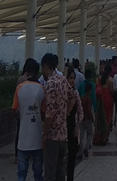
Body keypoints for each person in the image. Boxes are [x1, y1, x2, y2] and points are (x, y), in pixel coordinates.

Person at [41, 53, 75, 181]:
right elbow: (73, 98)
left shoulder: (50, 84)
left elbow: (50, 112)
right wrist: (65, 114)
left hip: (53, 135)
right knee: (61, 170)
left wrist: (45, 133)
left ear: (45, 67)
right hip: (63, 133)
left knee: (50, 171)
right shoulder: (63, 80)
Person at [12, 59, 44, 181]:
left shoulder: (19, 87)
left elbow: (13, 110)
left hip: (23, 138)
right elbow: (44, 112)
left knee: (21, 173)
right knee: (38, 173)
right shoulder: (41, 88)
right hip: (37, 137)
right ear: (37, 72)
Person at [63, 66, 83, 181]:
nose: (72, 80)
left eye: (73, 78)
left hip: (72, 130)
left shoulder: (75, 94)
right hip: (62, 131)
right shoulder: (62, 94)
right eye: (70, 78)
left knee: (71, 158)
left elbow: (80, 112)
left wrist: (77, 126)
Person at [93, 65, 113, 146]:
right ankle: (104, 137)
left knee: (100, 117)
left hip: (100, 100)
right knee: (107, 118)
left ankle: (98, 136)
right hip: (108, 100)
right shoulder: (110, 80)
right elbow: (112, 91)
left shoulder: (98, 79)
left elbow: (95, 89)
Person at [79, 81, 94, 159]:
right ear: (90, 90)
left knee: (81, 136)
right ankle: (86, 148)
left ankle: (80, 151)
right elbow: (88, 110)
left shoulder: (81, 99)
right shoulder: (89, 99)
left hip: (81, 119)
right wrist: (92, 118)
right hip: (87, 119)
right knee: (90, 134)